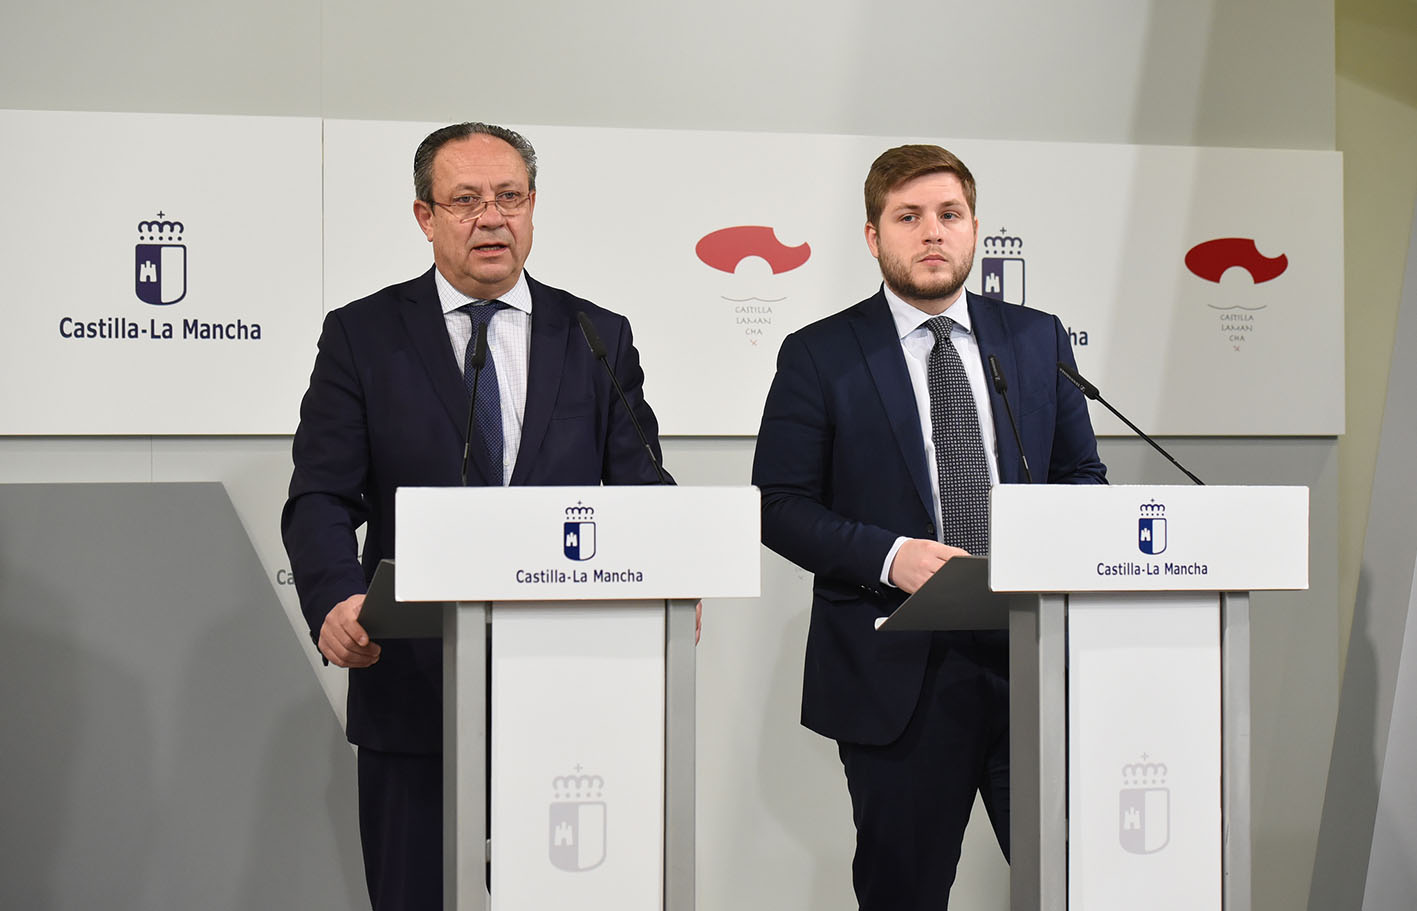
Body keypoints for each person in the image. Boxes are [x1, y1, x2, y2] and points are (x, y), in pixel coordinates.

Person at [281, 122, 672, 910]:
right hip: (416, 685)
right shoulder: (363, 335)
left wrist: (672, 575)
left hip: (571, 691)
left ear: (533, 208)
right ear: (425, 216)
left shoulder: (596, 334)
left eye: (509, 197)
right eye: (465, 200)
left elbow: (641, 487)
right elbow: (321, 491)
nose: (491, 217)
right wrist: (333, 598)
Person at [751, 144, 1106, 909]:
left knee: (1074, 881)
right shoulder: (819, 353)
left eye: (948, 215)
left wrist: (1044, 541)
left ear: (974, 228)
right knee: (903, 891)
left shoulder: (1036, 337)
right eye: (907, 217)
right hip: (898, 670)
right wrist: (890, 555)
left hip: (1030, 656)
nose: (931, 233)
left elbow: (1083, 476)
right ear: (874, 236)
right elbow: (777, 503)